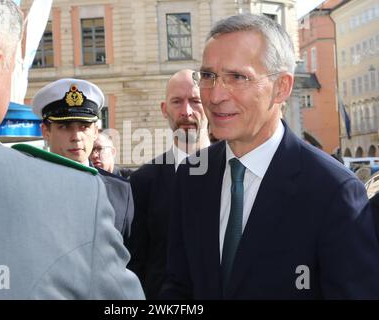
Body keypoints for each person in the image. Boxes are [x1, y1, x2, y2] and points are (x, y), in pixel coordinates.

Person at [0, 0, 143, 299]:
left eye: (83, 127)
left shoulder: (108, 190)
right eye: (11, 68)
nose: (76, 137)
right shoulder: (78, 195)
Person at [161, 14, 379, 299]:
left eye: (237, 77)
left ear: (282, 87)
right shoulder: (192, 175)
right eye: (208, 76)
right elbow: (178, 286)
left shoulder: (332, 191)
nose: (214, 96)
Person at [127, 69, 208, 299]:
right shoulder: (143, 182)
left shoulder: (237, 172)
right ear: (165, 109)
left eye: (195, 100)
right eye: (177, 102)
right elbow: (136, 263)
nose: (186, 111)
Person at [33, 78, 134, 241]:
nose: (76, 137)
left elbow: (132, 258)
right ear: (46, 131)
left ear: (95, 131)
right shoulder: (28, 186)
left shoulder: (120, 191)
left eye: (84, 126)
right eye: (64, 127)